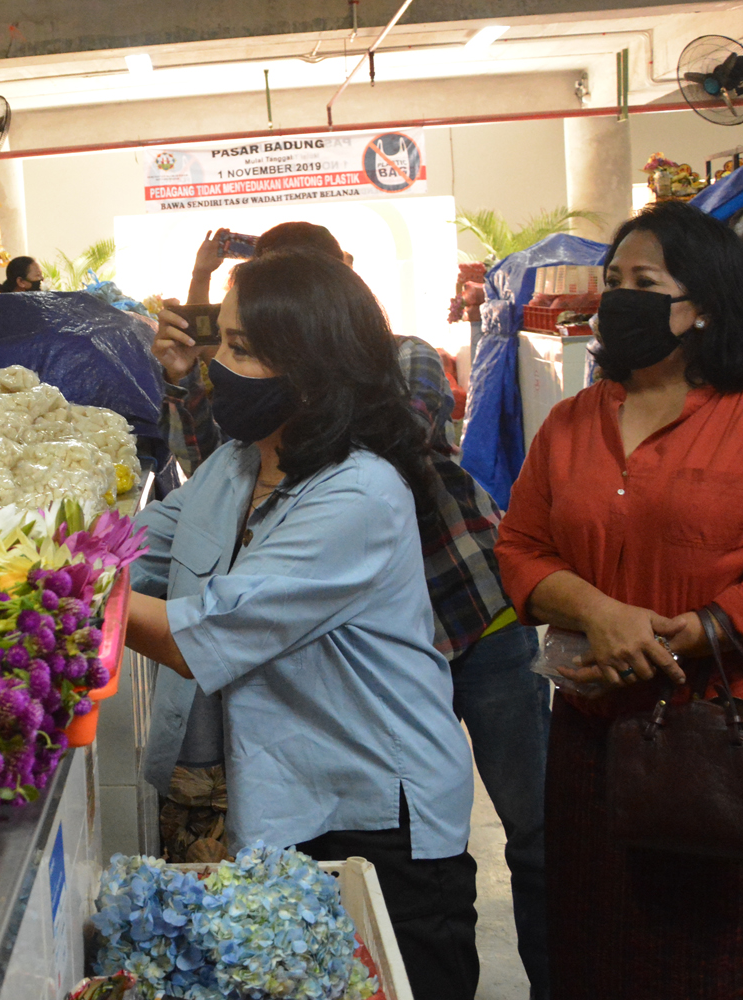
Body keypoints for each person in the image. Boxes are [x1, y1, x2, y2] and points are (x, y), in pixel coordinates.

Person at [160, 221, 550, 999]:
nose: (218, 368)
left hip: (459, 645)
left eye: (239, 346)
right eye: (220, 344)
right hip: (313, 780)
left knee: (533, 842)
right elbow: (164, 529)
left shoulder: (360, 482)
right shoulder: (244, 464)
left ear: (310, 354)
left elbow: (214, 629)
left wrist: (67, 605)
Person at [496, 200, 743, 1000]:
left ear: (700, 305)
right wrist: (600, 615)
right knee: (592, 940)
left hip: (713, 732)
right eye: (612, 281)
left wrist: (706, 627)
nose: (618, 297)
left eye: (645, 281)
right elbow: (521, 547)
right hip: (590, 733)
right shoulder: (570, 424)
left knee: (702, 950)